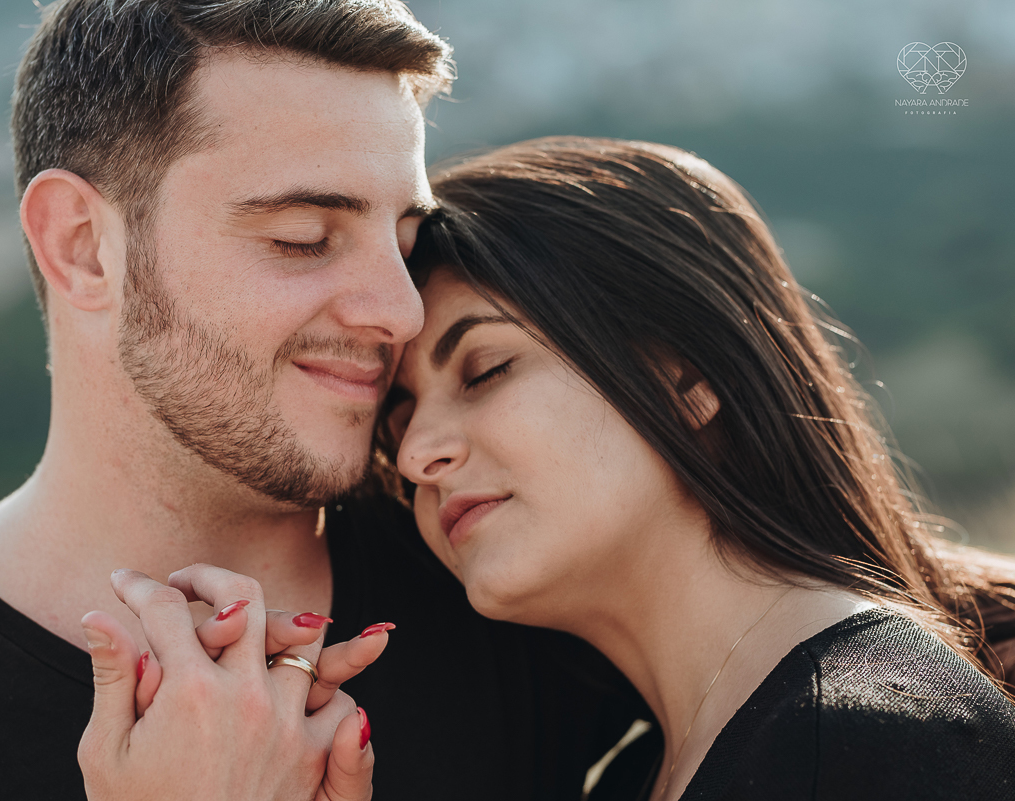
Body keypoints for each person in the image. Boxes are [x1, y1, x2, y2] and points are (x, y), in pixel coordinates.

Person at [0, 5, 644, 800]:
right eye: (303, 239)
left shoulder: (503, 567)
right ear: (83, 247)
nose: (399, 312)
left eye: (405, 244)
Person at [77, 136, 1015, 801]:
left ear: (686, 376)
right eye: (396, 418)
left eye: (485, 369)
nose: (415, 453)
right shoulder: (642, 770)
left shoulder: (869, 740)